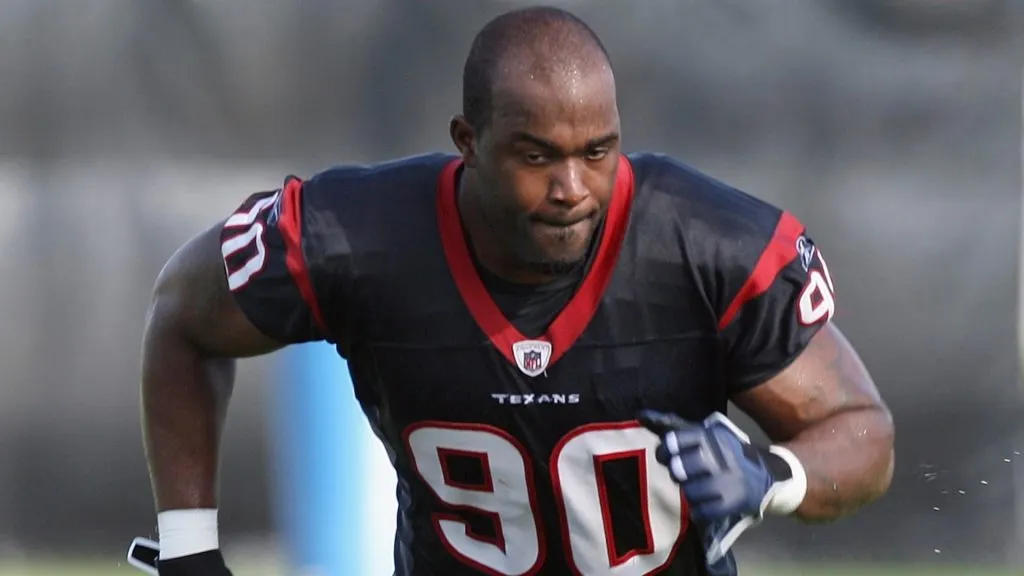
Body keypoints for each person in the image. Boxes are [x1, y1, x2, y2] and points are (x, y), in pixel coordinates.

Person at [138, 6, 895, 576]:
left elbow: (862, 432)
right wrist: (188, 547)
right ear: (468, 142)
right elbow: (182, 315)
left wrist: (773, 477)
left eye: (597, 152)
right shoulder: (356, 237)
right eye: (538, 156)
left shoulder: (709, 245)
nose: (572, 188)